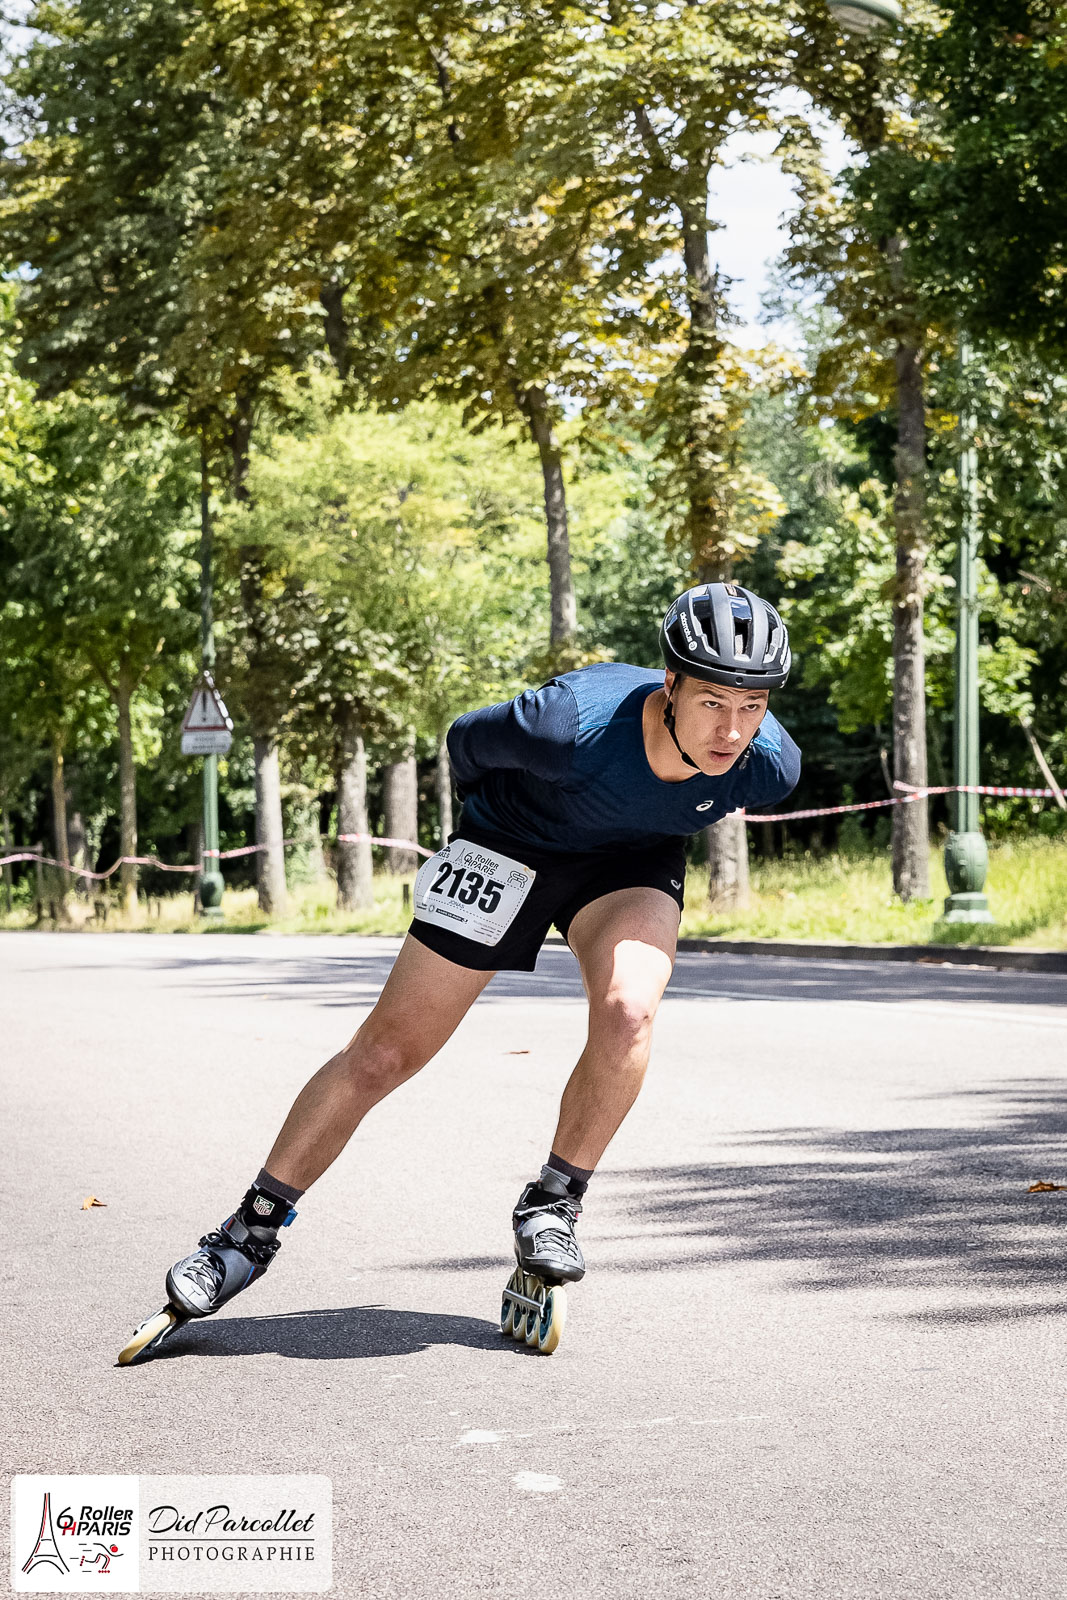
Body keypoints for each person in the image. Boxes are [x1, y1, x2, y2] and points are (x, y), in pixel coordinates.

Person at [119, 582, 800, 1363]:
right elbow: (463, 744)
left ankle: (553, 1204)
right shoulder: (564, 725)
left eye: (751, 706)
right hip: (506, 849)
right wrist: (488, 833)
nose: (731, 729)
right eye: (712, 702)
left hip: (626, 868)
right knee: (384, 1054)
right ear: (669, 684)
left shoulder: (768, 765)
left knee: (629, 1012)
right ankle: (247, 1233)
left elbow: (696, 789)